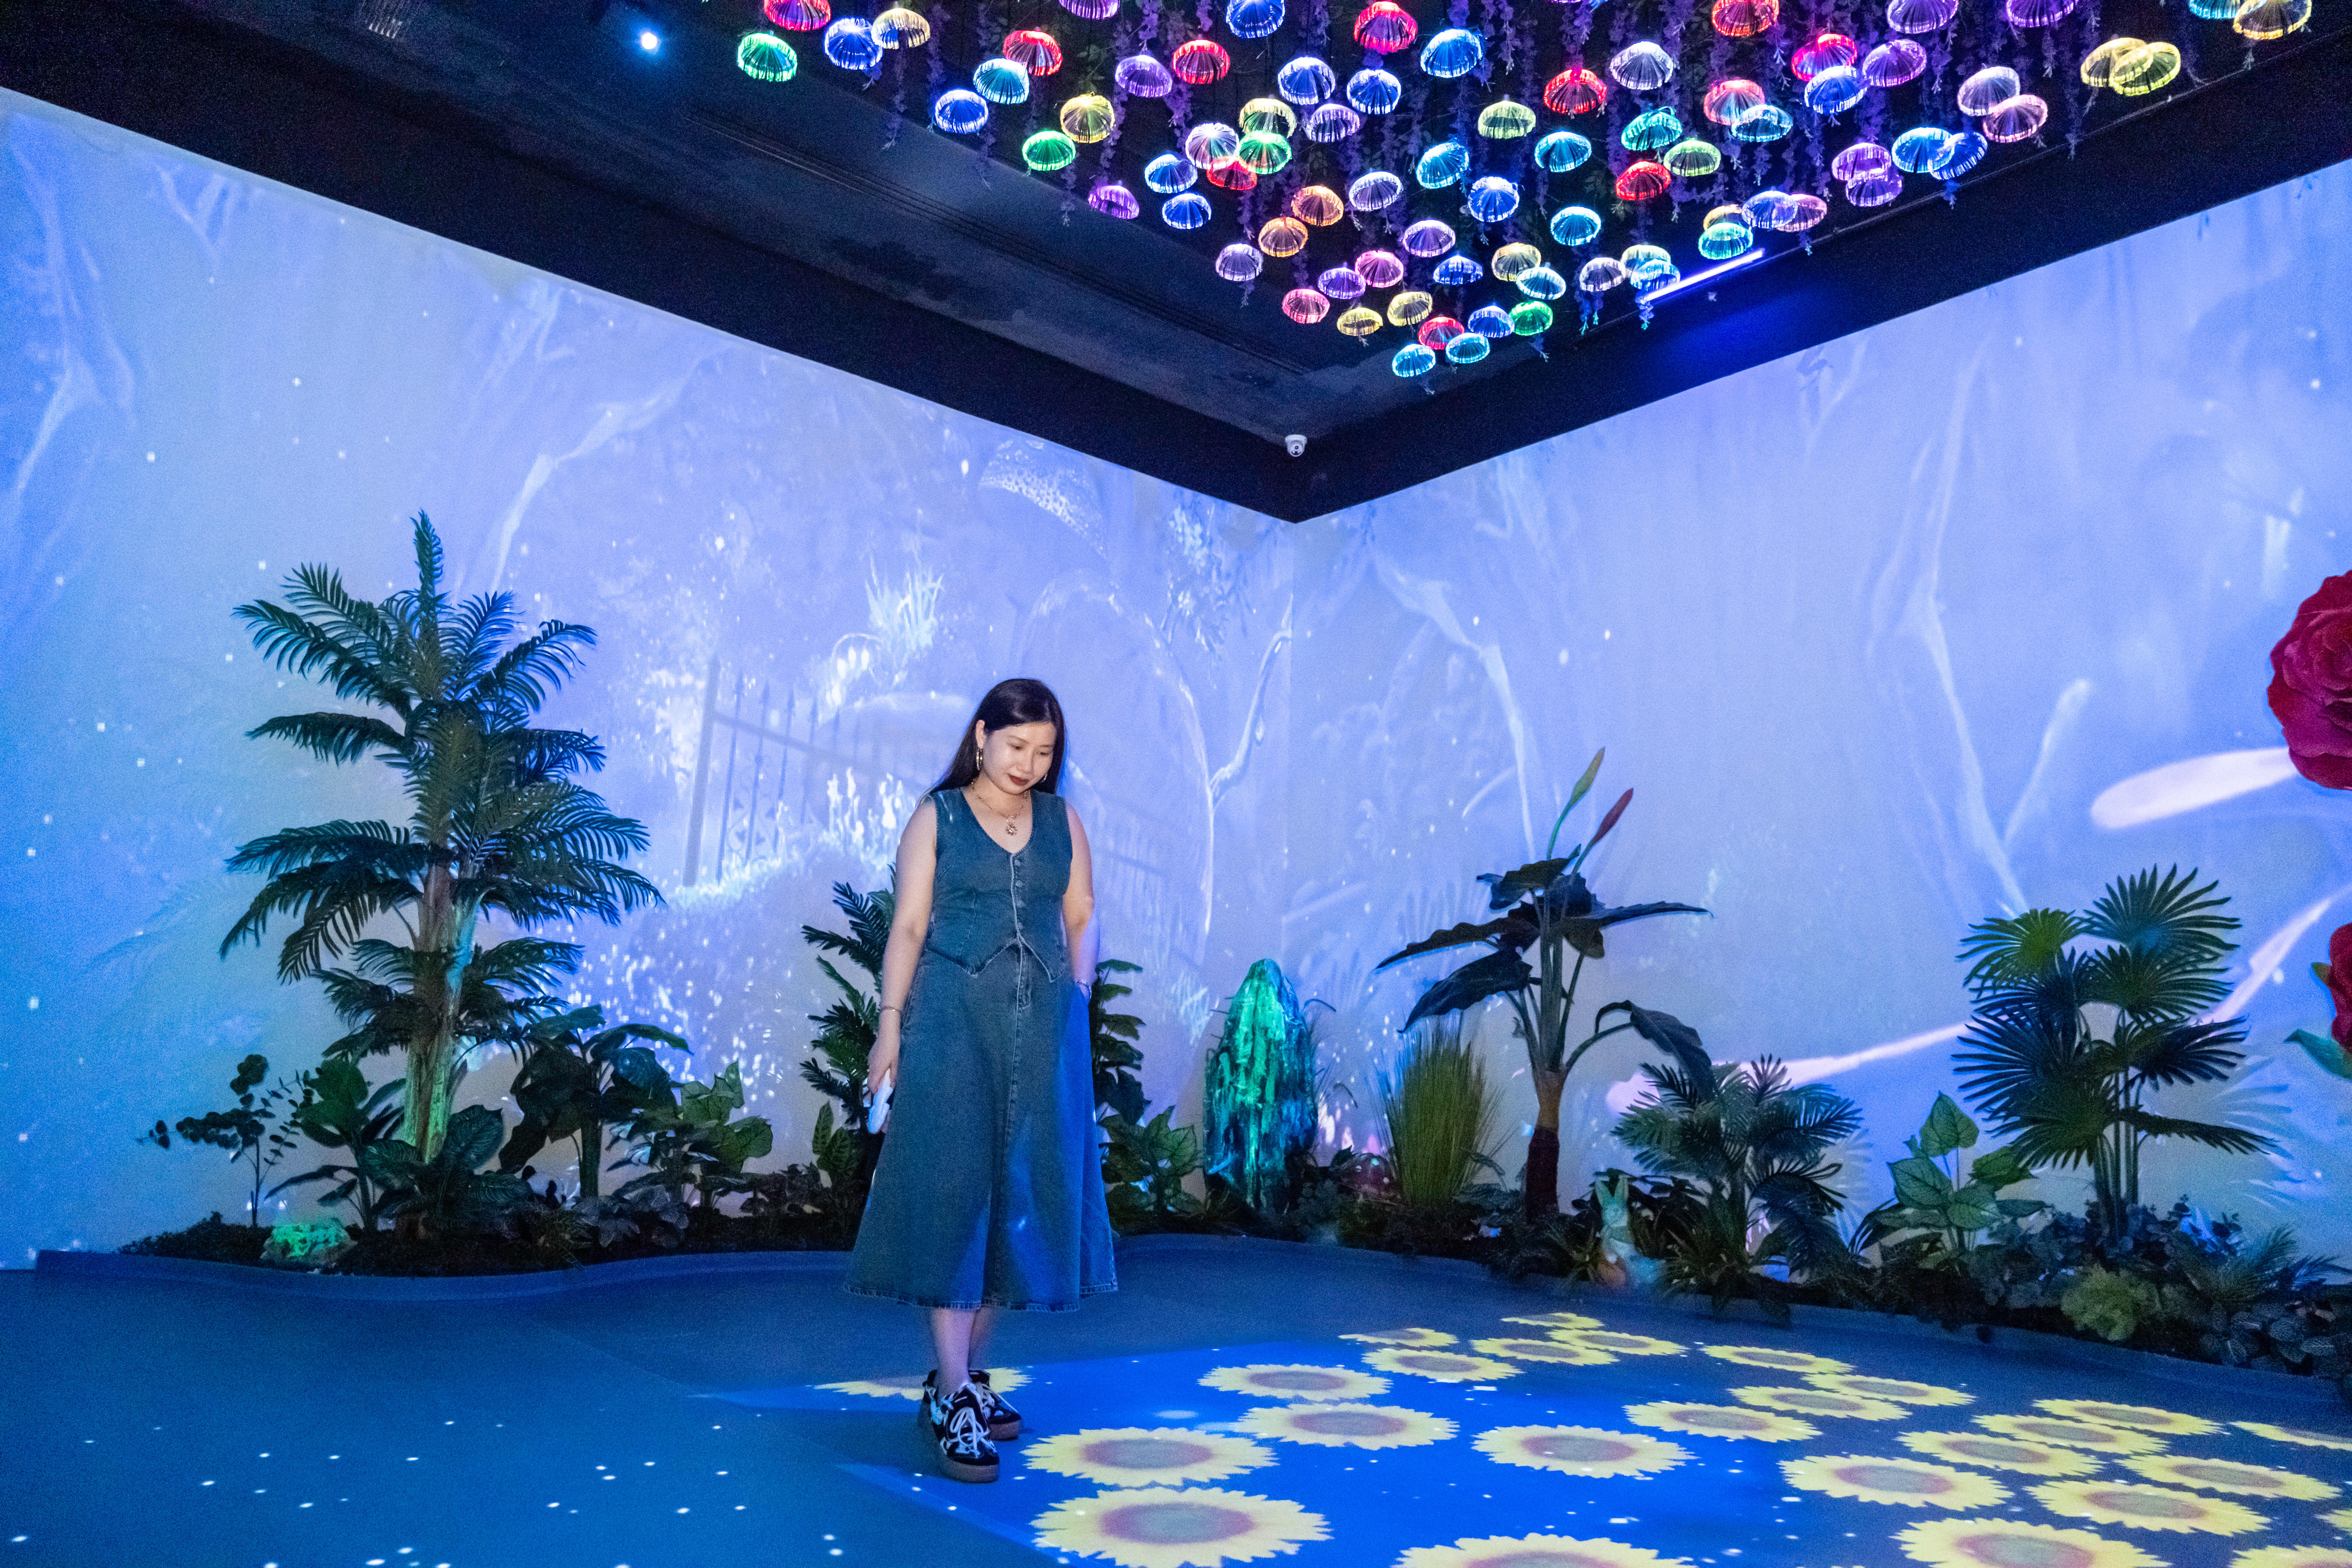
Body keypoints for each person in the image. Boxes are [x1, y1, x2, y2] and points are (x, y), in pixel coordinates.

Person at [843, 677, 1118, 1484]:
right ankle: (957, 1393)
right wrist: (890, 1026)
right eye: (1016, 746)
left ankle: (955, 1382)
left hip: (1045, 1037)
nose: (1029, 764)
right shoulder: (938, 818)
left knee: (1020, 1203)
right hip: (953, 1028)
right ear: (981, 737)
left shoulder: (1064, 823)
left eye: (1045, 752)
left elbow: (1082, 913)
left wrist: (1077, 993)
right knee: (957, 1197)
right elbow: (908, 927)